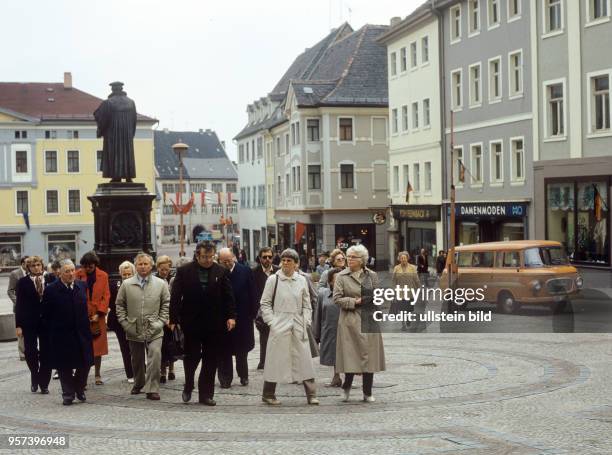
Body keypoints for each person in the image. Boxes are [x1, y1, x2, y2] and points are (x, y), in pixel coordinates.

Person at [170, 241, 236, 406]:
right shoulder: (184, 271)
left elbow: (228, 296)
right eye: (204, 257)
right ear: (197, 255)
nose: (208, 260)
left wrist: (231, 316)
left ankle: (206, 394)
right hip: (191, 322)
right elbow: (176, 297)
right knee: (191, 357)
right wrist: (173, 319)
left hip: (214, 323)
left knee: (211, 359)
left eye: (211, 256)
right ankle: (189, 384)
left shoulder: (221, 271)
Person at [260, 248, 318, 406]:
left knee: (304, 359)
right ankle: (268, 393)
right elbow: (265, 303)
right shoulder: (273, 280)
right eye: (283, 260)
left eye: (289, 260)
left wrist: (306, 320)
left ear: (296, 264)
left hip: (298, 322)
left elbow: (307, 304)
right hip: (280, 321)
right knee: (275, 359)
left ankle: (311, 394)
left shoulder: (302, 280)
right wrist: (272, 322)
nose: (285, 263)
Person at [333, 244, 385, 403]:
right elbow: (336, 299)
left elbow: (378, 295)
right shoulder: (342, 276)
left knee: (369, 357)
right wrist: (355, 301)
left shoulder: (372, 275)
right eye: (348, 257)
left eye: (353, 257)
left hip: (368, 319)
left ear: (362, 260)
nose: (349, 260)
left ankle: (367, 392)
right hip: (350, 321)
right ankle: (346, 387)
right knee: (351, 356)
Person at [115, 253, 170, 401]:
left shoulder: (160, 284)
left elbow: (166, 304)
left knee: (155, 355)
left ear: (151, 265)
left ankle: (152, 388)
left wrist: (160, 322)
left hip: (155, 327)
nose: (143, 266)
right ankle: (139, 382)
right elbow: (119, 305)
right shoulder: (127, 284)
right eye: (140, 264)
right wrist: (126, 323)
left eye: (146, 264)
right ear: (136, 267)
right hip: (134, 327)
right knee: (137, 358)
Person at [41, 260, 94, 406]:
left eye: (72, 270)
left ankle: (78, 387)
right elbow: (46, 314)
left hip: (82, 333)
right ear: (60, 273)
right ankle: (68, 394)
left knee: (86, 363)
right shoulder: (51, 289)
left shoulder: (82, 286)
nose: (71, 274)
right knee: (64, 366)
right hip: (61, 335)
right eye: (67, 271)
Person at [217, 248, 256, 387]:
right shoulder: (217, 272)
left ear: (234, 257)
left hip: (243, 316)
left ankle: (243, 375)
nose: (227, 263)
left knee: (242, 350)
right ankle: (225, 378)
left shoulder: (245, 271)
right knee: (224, 349)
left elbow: (253, 293)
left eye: (229, 260)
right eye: (224, 261)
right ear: (219, 260)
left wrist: (253, 314)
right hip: (223, 317)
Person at [15, 256, 52, 394]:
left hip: (47, 322)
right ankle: (34, 376)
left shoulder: (50, 279)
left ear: (42, 265)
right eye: (33, 266)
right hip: (29, 322)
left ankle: (44, 383)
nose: (36, 267)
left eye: (38, 265)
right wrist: (18, 325)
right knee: (30, 351)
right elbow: (19, 305)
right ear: (28, 268)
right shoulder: (23, 282)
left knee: (47, 353)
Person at [75, 252, 110, 386]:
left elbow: (106, 296)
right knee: (82, 346)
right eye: (85, 266)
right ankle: (82, 376)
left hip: (97, 316)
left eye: (90, 266)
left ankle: (97, 374)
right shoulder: (78, 274)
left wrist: (100, 313)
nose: (87, 269)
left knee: (98, 348)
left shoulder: (103, 275)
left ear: (95, 265)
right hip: (82, 315)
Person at [93, 81, 137, 182]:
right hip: (127, 135)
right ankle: (128, 177)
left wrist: (100, 131)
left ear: (112, 90)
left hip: (113, 135)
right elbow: (134, 121)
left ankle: (116, 176)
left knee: (114, 153)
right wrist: (130, 134)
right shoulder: (131, 102)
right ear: (122, 89)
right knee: (127, 153)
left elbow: (100, 117)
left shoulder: (108, 103)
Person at [106, 261, 135, 383]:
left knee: (136, 347)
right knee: (125, 347)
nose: (127, 277)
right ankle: (130, 374)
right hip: (119, 322)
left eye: (129, 274)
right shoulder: (114, 286)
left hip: (134, 321)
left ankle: (140, 370)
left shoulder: (138, 285)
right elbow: (111, 303)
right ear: (120, 274)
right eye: (124, 274)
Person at [314, 267, 343, 387]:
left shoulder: (348, 293)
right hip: (329, 329)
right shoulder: (323, 294)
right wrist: (316, 334)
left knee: (346, 353)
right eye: (337, 279)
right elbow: (318, 314)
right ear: (330, 281)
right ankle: (336, 377)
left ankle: (348, 378)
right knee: (333, 354)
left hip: (344, 329)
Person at [253, 247, 279, 370]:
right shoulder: (254, 273)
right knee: (264, 336)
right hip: (261, 311)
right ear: (260, 258)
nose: (267, 259)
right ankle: (263, 362)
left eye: (269, 257)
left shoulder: (279, 272)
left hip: (278, 310)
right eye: (264, 257)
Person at [155, 255, 175, 384]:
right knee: (161, 346)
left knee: (172, 345)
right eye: (162, 269)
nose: (164, 272)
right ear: (158, 268)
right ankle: (162, 371)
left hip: (171, 316)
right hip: (159, 317)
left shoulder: (172, 279)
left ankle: (172, 369)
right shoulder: (154, 280)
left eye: (166, 269)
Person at [389, 252, 421, 331]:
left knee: (409, 309)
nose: (403, 259)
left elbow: (416, 279)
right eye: (402, 258)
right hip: (400, 292)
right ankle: (403, 324)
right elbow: (393, 280)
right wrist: (393, 291)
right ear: (399, 259)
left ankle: (408, 319)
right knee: (402, 309)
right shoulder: (396, 268)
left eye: (405, 258)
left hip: (410, 291)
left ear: (407, 258)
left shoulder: (412, 267)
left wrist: (419, 288)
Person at [8, 255, 29, 361]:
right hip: (19, 307)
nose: (29, 265)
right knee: (21, 331)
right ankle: (22, 354)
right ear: (22, 263)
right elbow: (10, 291)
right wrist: (18, 302)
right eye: (26, 263)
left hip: (30, 307)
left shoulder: (31, 273)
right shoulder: (15, 274)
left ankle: (30, 350)